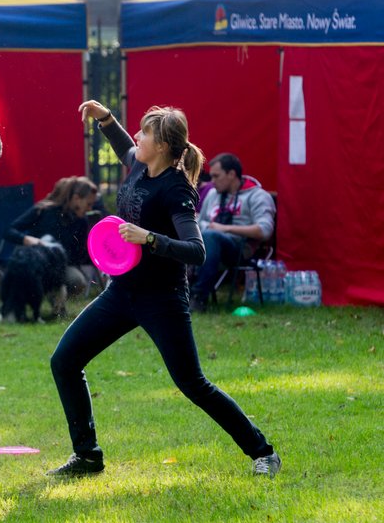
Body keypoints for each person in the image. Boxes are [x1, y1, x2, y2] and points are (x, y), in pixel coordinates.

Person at [46, 101, 281, 479]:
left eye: (146, 133)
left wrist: (149, 238)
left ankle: (263, 452)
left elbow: (197, 251)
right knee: (65, 361)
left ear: (163, 146)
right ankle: (87, 456)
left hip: (162, 299)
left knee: (192, 383)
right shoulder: (140, 163)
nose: (138, 137)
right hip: (121, 293)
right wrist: (105, 118)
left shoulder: (176, 190)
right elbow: (124, 145)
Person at [190, 153, 276, 312]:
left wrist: (225, 229)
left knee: (211, 236)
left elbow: (265, 230)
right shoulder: (212, 194)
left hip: (240, 249)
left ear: (231, 174)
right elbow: (201, 221)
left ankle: (199, 297)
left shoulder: (258, 196)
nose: (212, 181)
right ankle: (178, 292)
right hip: (208, 243)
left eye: (216, 176)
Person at [4, 176, 99, 296]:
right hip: (38, 262)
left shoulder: (81, 221)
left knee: (77, 281)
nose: (90, 209)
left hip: (61, 267)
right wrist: (28, 240)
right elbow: (9, 231)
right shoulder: (44, 210)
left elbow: (80, 255)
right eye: (89, 204)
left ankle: (58, 302)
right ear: (76, 198)